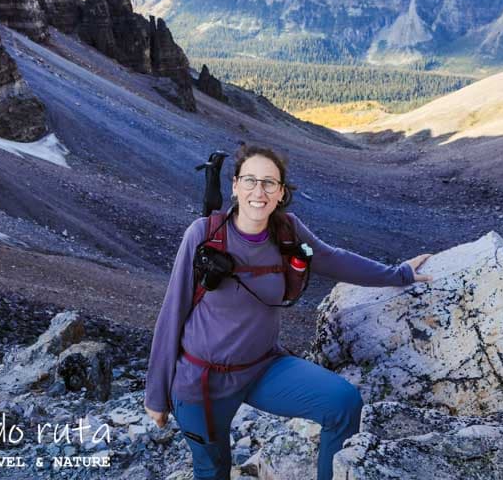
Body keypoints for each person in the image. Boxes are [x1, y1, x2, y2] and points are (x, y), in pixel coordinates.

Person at [144, 144, 432, 480]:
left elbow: (333, 259)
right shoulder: (204, 235)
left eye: (269, 183)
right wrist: (156, 395)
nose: (259, 191)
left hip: (263, 367)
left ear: (281, 193)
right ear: (235, 186)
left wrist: (398, 274)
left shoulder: (288, 232)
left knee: (342, 403)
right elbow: (172, 312)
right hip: (203, 382)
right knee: (214, 469)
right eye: (250, 181)